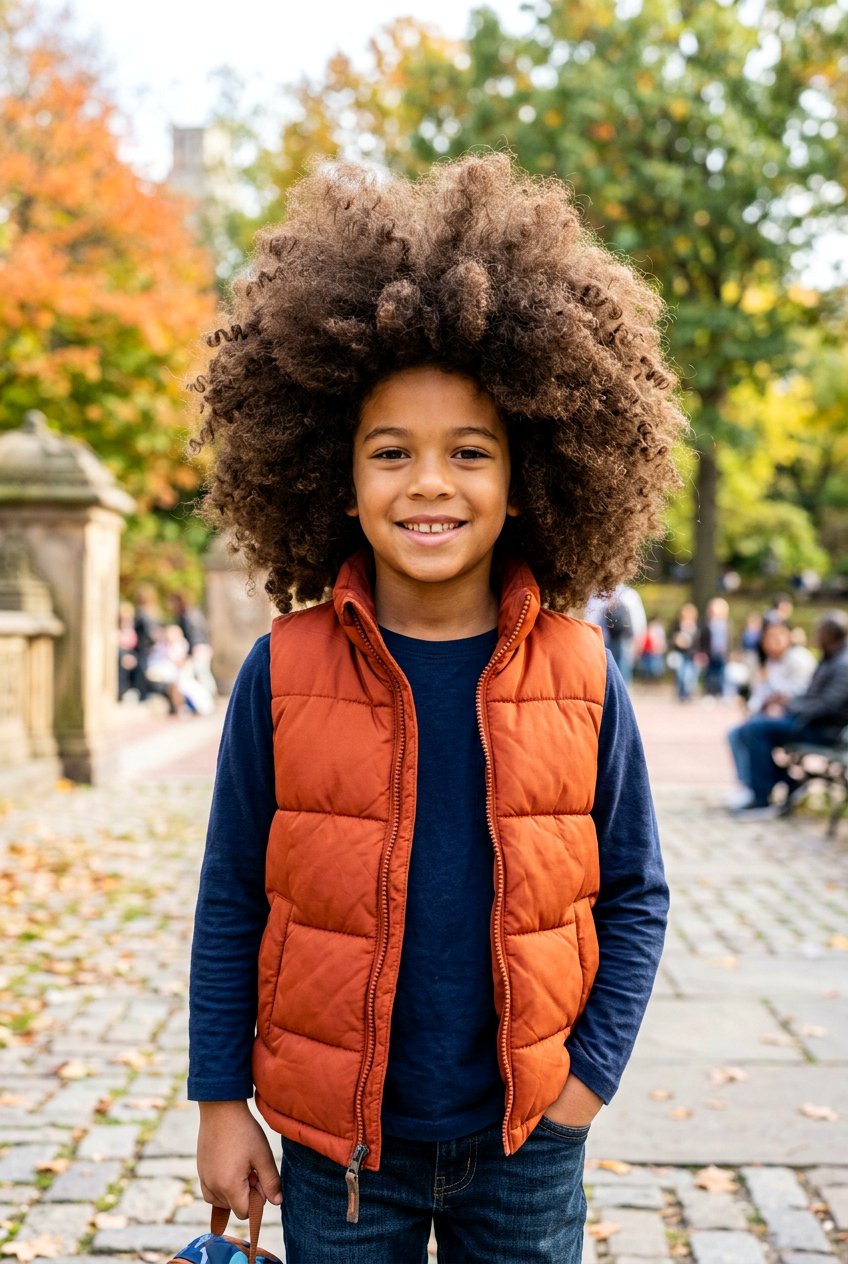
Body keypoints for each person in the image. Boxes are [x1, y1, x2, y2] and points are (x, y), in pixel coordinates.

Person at [186, 155, 684, 1264]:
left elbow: (635, 894)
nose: (428, 484)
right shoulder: (282, 669)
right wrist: (221, 1098)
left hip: (525, 1144)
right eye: (389, 452)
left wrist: (582, 1088)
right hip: (336, 1150)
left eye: (469, 453)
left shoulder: (582, 673)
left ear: (528, 473)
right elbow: (231, 895)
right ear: (332, 471)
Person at [726, 611, 848, 818]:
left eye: (820, 631)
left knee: (755, 730)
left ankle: (762, 796)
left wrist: (791, 706)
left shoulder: (842, 663)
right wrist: (788, 703)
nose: (816, 636)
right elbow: (813, 698)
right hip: (808, 722)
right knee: (748, 727)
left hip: (823, 730)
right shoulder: (832, 658)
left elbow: (828, 706)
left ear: (831, 633)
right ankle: (779, 783)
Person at [699, 596, 731, 699]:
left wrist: (730, 653)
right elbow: (703, 640)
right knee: (710, 674)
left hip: (722, 653)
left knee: (722, 675)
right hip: (710, 653)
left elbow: (729, 641)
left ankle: (722, 694)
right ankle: (709, 693)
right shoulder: (707, 624)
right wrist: (703, 653)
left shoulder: (726, 624)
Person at [669, 603, 700, 701]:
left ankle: (687, 693)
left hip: (690, 655)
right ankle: (680, 693)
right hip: (680, 653)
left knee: (689, 675)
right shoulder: (677, 626)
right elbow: (672, 639)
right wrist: (677, 641)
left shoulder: (695, 628)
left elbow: (698, 642)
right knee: (680, 674)